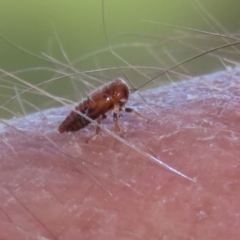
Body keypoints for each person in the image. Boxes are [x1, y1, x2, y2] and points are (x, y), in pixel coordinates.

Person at [0, 68, 239, 239]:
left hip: (85, 115)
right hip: (83, 118)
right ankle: (94, 136)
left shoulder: (113, 98)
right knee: (104, 117)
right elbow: (105, 115)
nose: (124, 99)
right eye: (122, 96)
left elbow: (117, 111)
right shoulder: (109, 102)